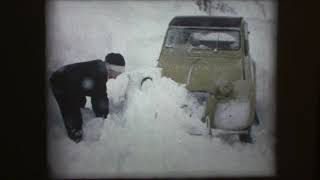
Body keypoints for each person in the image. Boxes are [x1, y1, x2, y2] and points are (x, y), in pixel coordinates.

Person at [49, 53, 126, 143]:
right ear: (110, 68)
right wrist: (103, 117)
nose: (116, 77)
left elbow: (96, 91)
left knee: (80, 100)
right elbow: (100, 97)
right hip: (61, 83)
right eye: (117, 73)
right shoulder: (100, 72)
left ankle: (80, 114)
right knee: (71, 109)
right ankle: (75, 134)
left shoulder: (98, 68)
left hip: (68, 81)